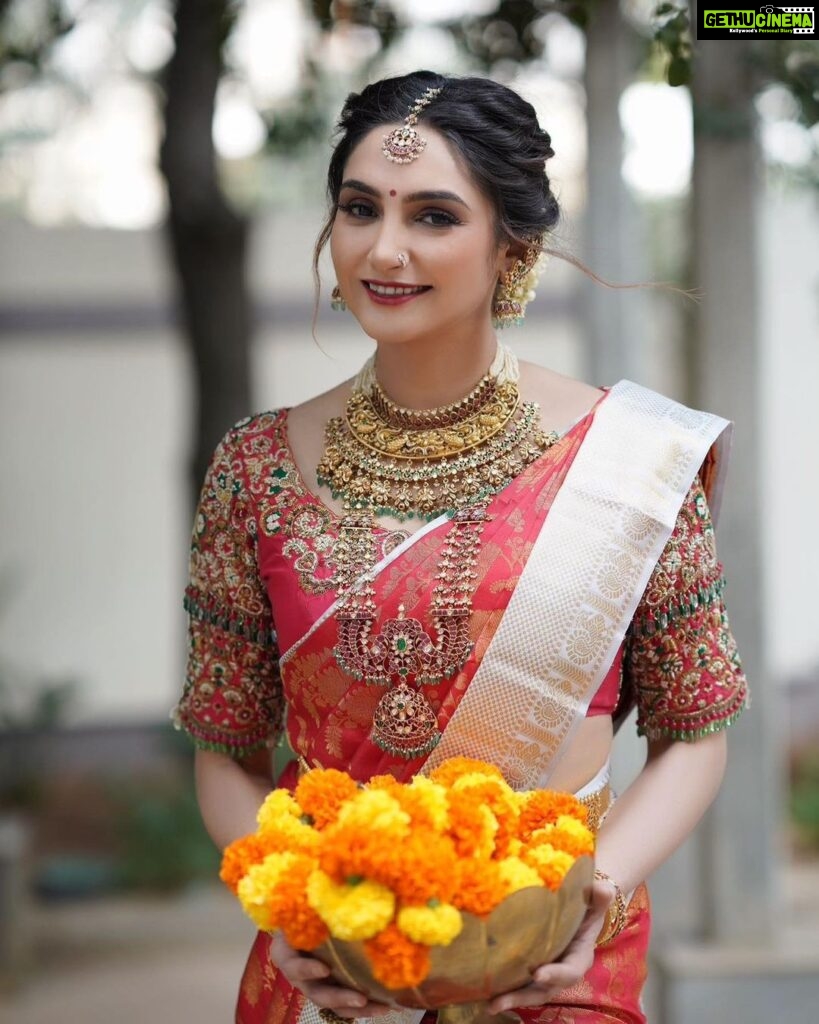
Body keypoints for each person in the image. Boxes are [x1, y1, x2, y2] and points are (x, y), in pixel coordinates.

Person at [172, 70, 749, 1024]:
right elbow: (225, 747)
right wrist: (291, 912)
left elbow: (695, 733)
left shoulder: (627, 463)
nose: (383, 249)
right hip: (325, 967)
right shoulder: (253, 466)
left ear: (511, 247)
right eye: (360, 208)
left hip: (554, 968)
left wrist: (584, 894)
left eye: (433, 216)